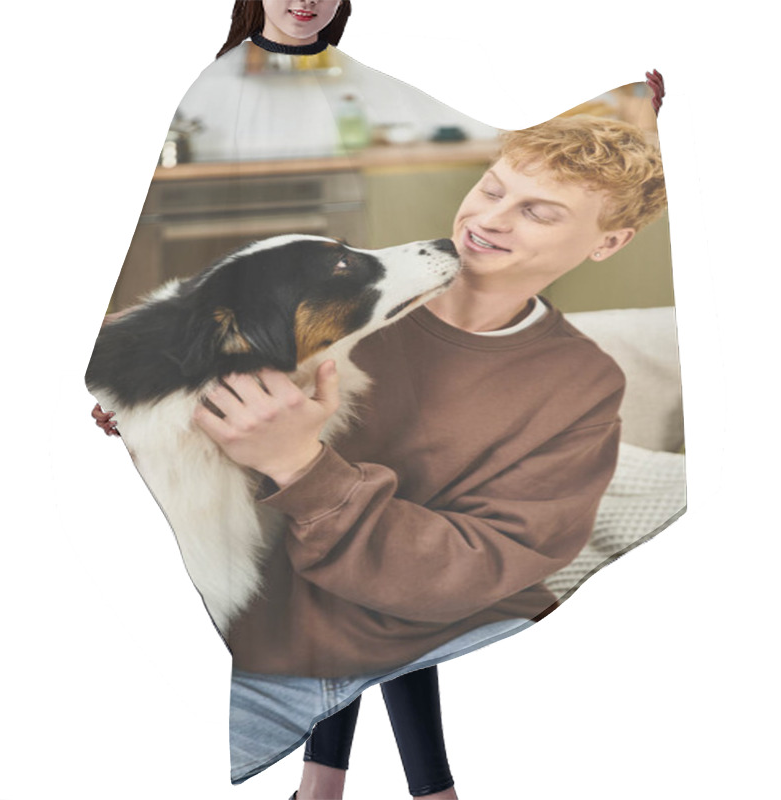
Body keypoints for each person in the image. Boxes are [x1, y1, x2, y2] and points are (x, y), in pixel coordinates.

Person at [90, 4, 671, 797]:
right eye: (492, 187)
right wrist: (125, 402)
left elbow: (479, 565)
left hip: (408, 590)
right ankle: (370, 783)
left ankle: (366, 784)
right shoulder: (338, 322)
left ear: (606, 242)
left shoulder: (579, 384)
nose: (490, 222)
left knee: (384, 595)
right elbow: (180, 371)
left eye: (537, 210)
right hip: (310, 576)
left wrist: (301, 464)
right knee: (344, 585)